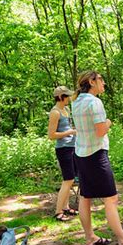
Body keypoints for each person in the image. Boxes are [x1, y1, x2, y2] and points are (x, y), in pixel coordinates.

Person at [72, 71, 123, 245]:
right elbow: (100, 131)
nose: (104, 83)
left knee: (85, 197)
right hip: (96, 155)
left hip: (80, 154)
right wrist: (108, 122)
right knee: (111, 198)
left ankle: (90, 237)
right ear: (91, 82)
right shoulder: (94, 102)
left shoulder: (76, 102)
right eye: (101, 80)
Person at [48, 86, 78, 222]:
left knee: (69, 179)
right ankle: (58, 212)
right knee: (68, 179)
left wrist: (74, 131)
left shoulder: (66, 109)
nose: (69, 98)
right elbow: (51, 135)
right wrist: (70, 132)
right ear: (60, 97)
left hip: (72, 147)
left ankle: (65, 207)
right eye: (67, 96)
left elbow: (67, 127)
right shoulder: (55, 112)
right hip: (63, 149)